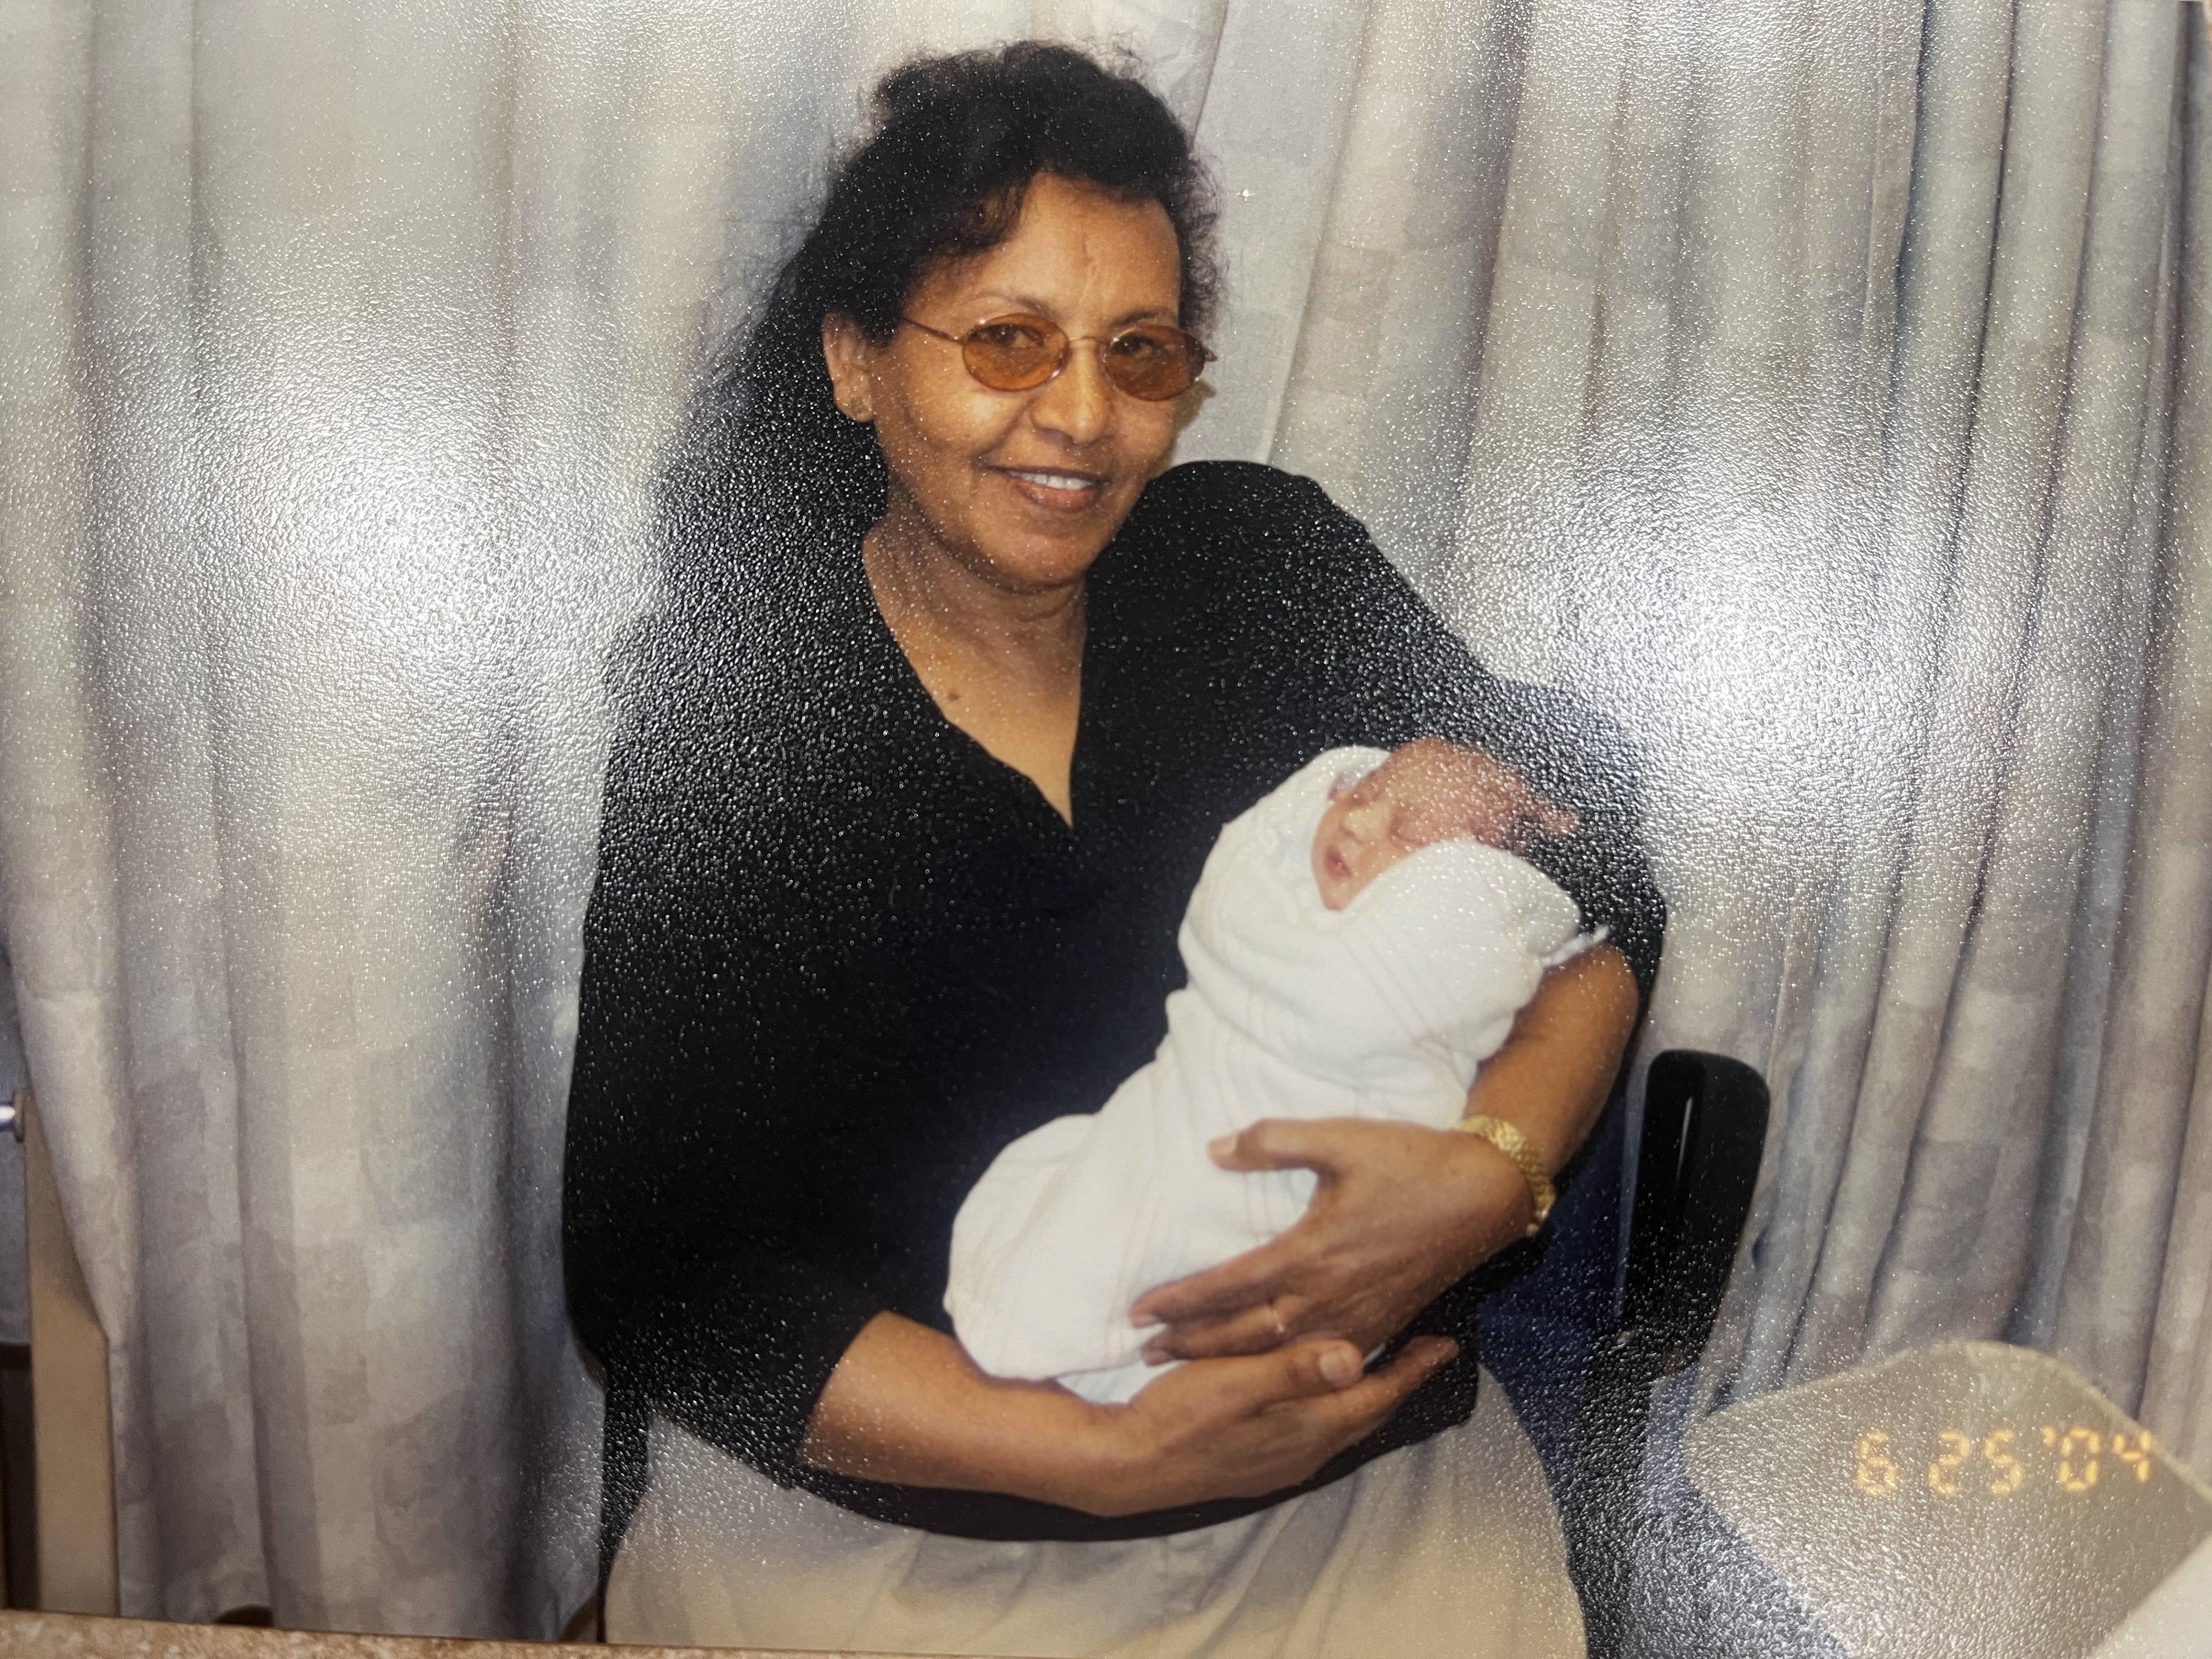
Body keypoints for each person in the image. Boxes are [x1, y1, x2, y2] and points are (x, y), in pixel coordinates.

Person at [562, 40, 1663, 1659]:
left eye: (1139, 353)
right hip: (901, 1559)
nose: (1080, 417)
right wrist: (1107, 1460)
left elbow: (1600, 861)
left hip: (1352, 1540)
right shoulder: (741, 732)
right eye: (1007, 341)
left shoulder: (1262, 568)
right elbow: (661, 1275)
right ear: (856, 361)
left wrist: (1486, 1176)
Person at [947, 740, 1600, 1405]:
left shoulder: (1436, 955)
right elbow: (1234, 899)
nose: (1359, 821)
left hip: (1323, 1192)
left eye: (1407, 834)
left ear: (1461, 886)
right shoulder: (1289, 897)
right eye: (1361, 791)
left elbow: (1612, 886)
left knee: (1174, 1250)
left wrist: (1496, 1173)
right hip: (1179, 1109)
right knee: (1104, 1211)